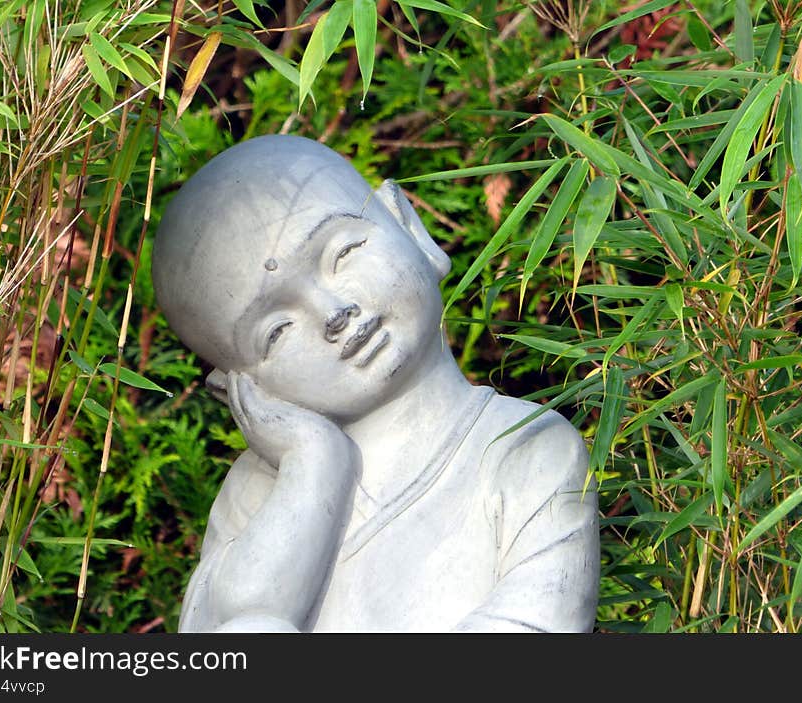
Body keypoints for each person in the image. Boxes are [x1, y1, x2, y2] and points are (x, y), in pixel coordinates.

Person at [151, 134, 599, 632]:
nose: (333, 313)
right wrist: (312, 463)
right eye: (276, 331)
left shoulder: (524, 445)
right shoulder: (259, 493)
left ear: (410, 226)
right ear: (236, 391)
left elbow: (536, 625)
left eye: (343, 255)